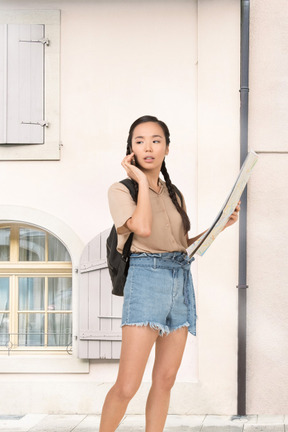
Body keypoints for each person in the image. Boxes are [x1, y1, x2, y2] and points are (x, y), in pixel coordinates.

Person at [100, 115, 240, 432]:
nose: (148, 147)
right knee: (127, 385)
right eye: (139, 141)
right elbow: (143, 228)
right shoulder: (121, 191)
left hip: (180, 280)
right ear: (130, 150)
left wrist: (219, 226)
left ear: (167, 147)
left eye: (156, 140)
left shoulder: (175, 194)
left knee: (165, 380)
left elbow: (180, 245)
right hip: (145, 279)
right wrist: (141, 181)